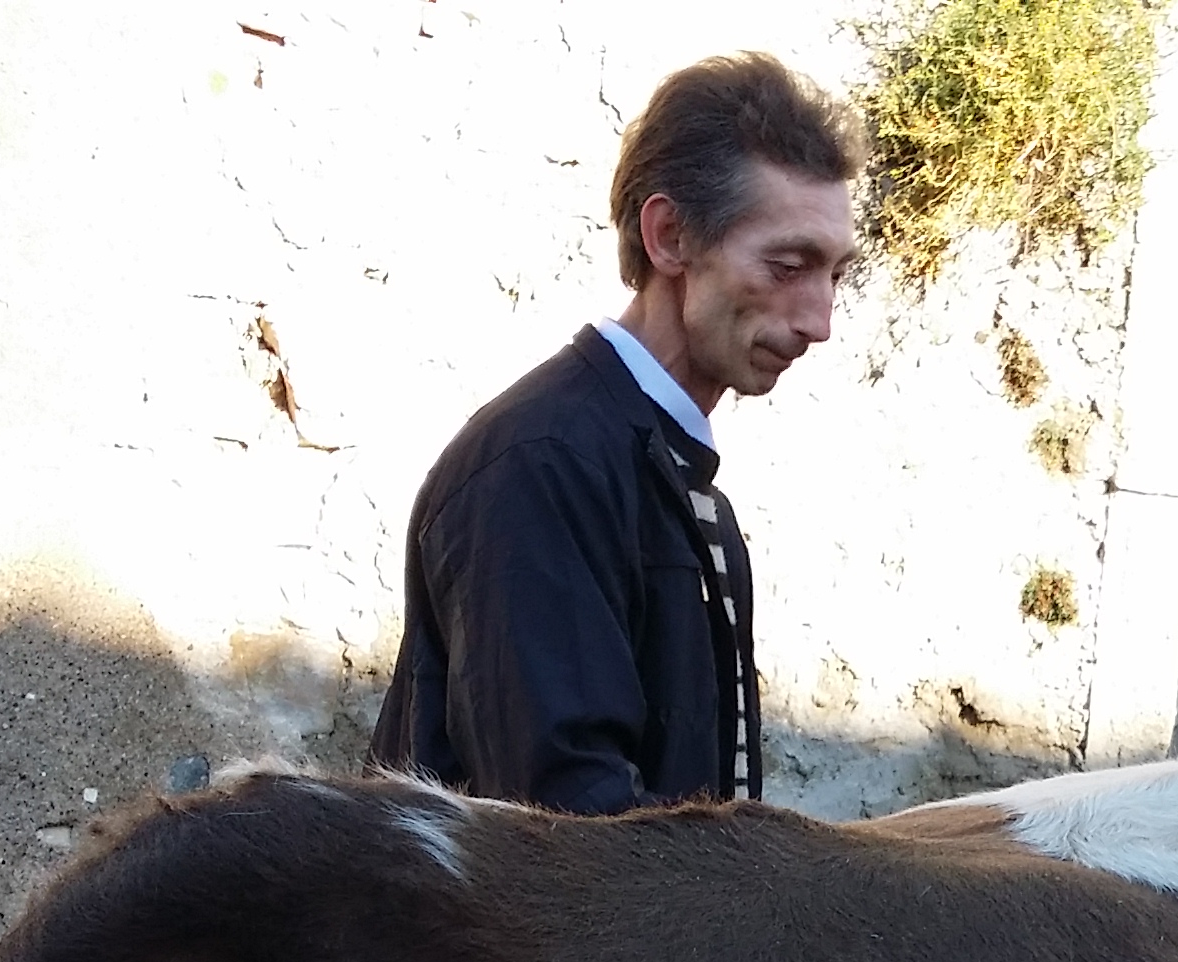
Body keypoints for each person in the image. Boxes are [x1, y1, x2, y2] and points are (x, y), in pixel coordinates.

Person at [369, 54, 866, 812]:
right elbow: (568, 826)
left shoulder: (673, 479)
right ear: (669, 236)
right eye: (789, 265)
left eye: (836, 274)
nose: (819, 321)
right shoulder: (540, 465)